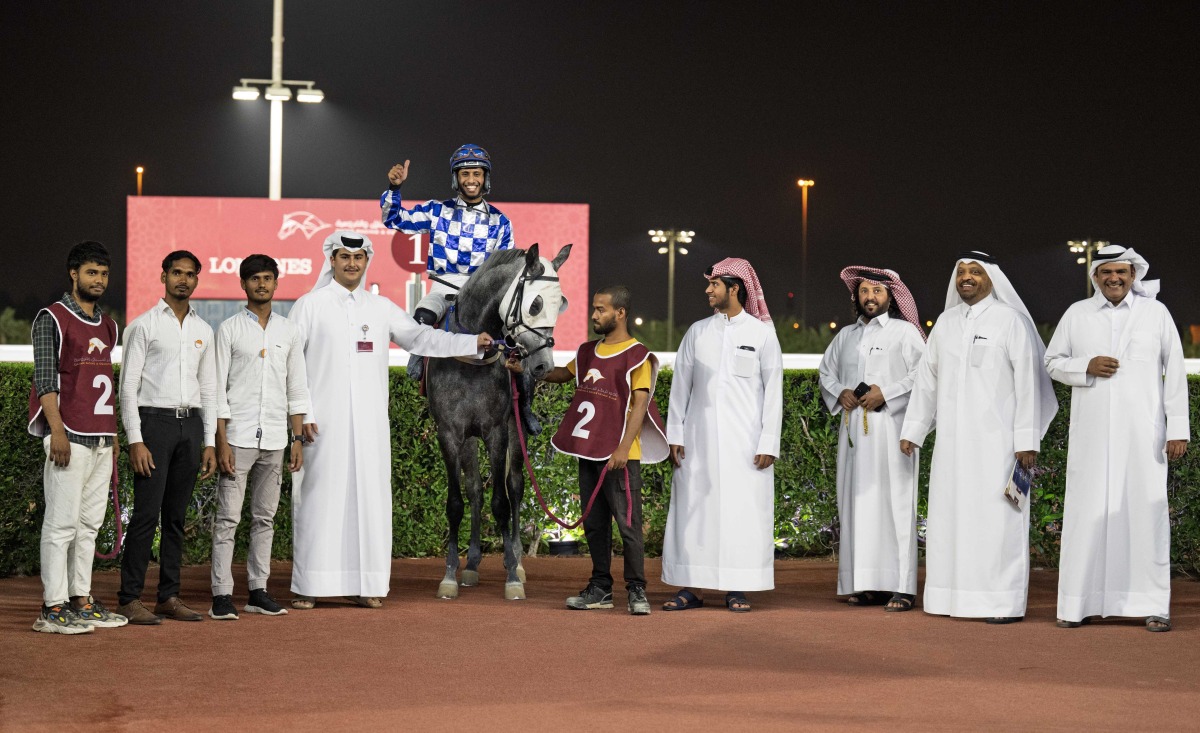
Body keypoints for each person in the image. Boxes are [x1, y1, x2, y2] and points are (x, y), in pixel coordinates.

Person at [287, 230, 492, 609]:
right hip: (321, 426)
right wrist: (303, 415)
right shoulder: (309, 305)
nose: (352, 263)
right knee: (319, 501)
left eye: (359, 257)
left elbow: (421, 338)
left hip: (369, 428)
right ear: (331, 260)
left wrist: (470, 342)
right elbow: (292, 363)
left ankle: (367, 584)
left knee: (369, 501)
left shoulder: (380, 308)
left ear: (367, 262)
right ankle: (311, 585)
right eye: (344, 256)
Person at [899, 251, 1058, 624]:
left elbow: (1028, 383)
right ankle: (948, 598)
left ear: (991, 279)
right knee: (950, 517)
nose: (966, 278)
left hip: (998, 444)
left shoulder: (1010, 321)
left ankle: (1000, 602)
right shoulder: (946, 323)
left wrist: (1026, 439)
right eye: (961, 273)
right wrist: (914, 429)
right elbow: (927, 381)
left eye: (975, 272)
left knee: (997, 520)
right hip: (953, 445)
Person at [1044, 246, 1189, 632]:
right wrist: (1084, 366)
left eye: (1121, 272)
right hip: (1091, 438)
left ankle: (1153, 605)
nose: (1114, 278)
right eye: (1106, 272)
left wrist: (1177, 429)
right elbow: (1052, 362)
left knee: (1145, 513)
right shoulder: (1077, 314)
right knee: (1086, 515)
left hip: (1143, 436)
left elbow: (1174, 371)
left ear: (1133, 274)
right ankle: (1079, 604)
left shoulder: (1155, 313)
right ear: (1095, 277)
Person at [508, 286, 668, 615]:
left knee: (629, 527)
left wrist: (624, 448)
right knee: (594, 525)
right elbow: (562, 375)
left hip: (621, 456)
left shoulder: (637, 354)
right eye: (594, 309)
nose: (594, 315)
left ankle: (637, 590)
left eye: (601, 309)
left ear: (620, 313)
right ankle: (600, 588)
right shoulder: (586, 352)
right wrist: (523, 369)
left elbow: (640, 405)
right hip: (589, 452)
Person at [380, 144, 539, 434]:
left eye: (476, 173)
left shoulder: (501, 221)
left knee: (520, 341)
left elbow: (503, 266)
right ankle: (419, 369)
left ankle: (526, 405)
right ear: (457, 178)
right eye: (465, 173)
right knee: (421, 317)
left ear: (485, 178)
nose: (471, 179)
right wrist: (393, 188)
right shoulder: (436, 210)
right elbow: (394, 219)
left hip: (484, 293)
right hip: (444, 286)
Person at [661, 258, 783, 613]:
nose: (707, 290)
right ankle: (693, 587)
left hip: (747, 446)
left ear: (735, 288)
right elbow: (680, 389)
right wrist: (675, 434)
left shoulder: (762, 335)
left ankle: (737, 587)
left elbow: (774, 392)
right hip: (697, 443)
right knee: (694, 513)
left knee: (741, 514)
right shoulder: (697, 332)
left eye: (714, 284)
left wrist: (768, 442)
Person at [27, 241, 128, 634]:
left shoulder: (109, 325)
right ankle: (51, 608)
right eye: (91, 273)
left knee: (88, 526)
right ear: (74, 275)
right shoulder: (50, 318)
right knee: (61, 525)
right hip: (68, 435)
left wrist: (114, 433)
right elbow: (45, 379)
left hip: (101, 438)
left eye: (103, 274)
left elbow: (104, 385)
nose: (99, 280)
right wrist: (56, 431)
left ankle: (79, 599)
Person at [117, 250, 218, 624]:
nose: (183, 279)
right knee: (145, 516)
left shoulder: (203, 331)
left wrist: (208, 441)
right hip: (153, 424)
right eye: (176, 272)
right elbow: (128, 389)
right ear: (163, 277)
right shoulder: (143, 326)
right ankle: (129, 598)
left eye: (190, 274)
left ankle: (168, 597)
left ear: (196, 280)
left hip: (190, 426)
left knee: (176, 518)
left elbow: (208, 390)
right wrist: (135, 439)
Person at [818, 266, 926, 612]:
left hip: (893, 432)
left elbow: (923, 376)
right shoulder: (845, 336)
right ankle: (864, 583)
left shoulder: (905, 333)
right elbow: (826, 373)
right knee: (856, 506)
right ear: (856, 297)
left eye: (877, 292)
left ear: (891, 297)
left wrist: (887, 393)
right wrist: (841, 393)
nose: (870, 297)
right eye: (864, 291)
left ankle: (902, 587)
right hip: (853, 431)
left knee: (894, 503)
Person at [208, 255, 310, 621]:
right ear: (243, 284)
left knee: (265, 518)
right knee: (228, 519)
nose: (261, 285)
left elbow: (297, 388)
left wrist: (297, 437)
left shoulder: (289, 331)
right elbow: (216, 391)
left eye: (268, 278)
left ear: (276, 283)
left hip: (276, 441)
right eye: (254, 279)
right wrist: (219, 441)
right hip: (236, 437)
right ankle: (221, 594)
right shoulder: (229, 330)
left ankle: (257, 590)